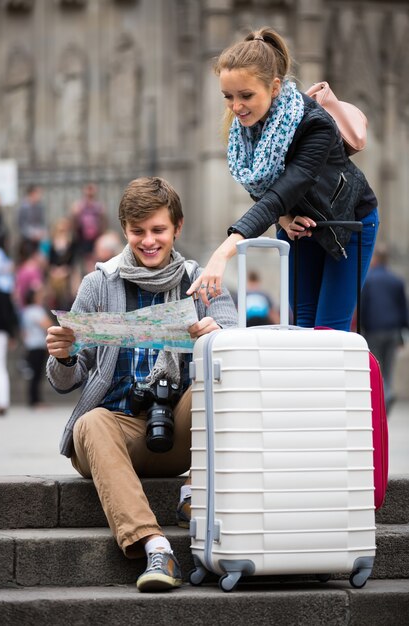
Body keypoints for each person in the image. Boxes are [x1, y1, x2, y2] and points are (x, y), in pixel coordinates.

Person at [46, 176, 237, 592]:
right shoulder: (99, 284)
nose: (148, 241)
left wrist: (215, 336)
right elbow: (68, 379)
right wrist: (62, 355)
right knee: (89, 422)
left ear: (177, 228)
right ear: (124, 230)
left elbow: (239, 352)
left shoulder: (201, 281)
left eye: (158, 230)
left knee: (221, 378)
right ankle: (155, 548)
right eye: (138, 232)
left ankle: (196, 490)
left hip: (183, 433)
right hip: (117, 431)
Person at [188, 27, 379, 331]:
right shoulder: (245, 130)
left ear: (274, 87)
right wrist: (286, 217)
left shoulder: (316, 125)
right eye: (228, 97)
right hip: (299, 226)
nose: (236, 107)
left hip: (348, 225)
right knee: (302, 325)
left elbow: (284, 189)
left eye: (246, 96)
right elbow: (262, 187)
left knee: (328, 329)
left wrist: (225, 250)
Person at [361, 243, 409, 412]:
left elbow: (363, 307)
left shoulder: (367, 280)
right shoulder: (396, 280)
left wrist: (361, 330)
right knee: (388, 368)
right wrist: (403, 333)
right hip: (393, 331)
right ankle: (387, 393)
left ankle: (383, 397)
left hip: (374, 331)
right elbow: (403, 307)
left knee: (377, 366)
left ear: (375, 259)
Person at [0, 234, 19, 416]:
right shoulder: (2, 289)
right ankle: (2, 401)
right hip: (0, 331)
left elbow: (6, 312)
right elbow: (8, 313)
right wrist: (11, 334)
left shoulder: (0, 289)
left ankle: (2, 401)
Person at [21, 285, 53, 408]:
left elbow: (23, 331)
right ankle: (36, 401)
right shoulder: (36, 310)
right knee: (37, 374)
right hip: (38, 345)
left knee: (34, 374)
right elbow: (47, 325)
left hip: (30, 345)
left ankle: (34, 400)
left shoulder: (26, 311)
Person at [70, 183, 107, 274]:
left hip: (95, 237)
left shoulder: (98, 206)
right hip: (82, 237)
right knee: (80, 262)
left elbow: (104, 222)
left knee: (92, 260)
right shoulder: (79, 206)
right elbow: (73, 222)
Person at [17, 184, 48, 249]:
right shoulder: (23, 207)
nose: (40, 196)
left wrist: (42, 232)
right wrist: (32, 234)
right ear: (32, 193)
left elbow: (43, 222)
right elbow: (21, 226)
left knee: (46, 242)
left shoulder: (40, 206)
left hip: (39, 234)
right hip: (28, 236)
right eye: (38, 193)